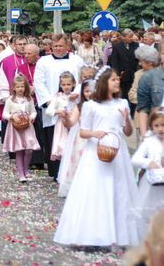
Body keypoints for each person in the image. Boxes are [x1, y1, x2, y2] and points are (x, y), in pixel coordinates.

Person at [53, 67, 139, 247]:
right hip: (96, 152)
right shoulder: (91, 105)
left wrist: (127, 120)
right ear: (104, 83)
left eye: (117, 79)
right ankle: (92, 235)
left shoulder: (122, 103)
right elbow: (82, 131)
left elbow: (128, 132)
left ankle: (120, 234)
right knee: (96, 190)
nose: (117, 82)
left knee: (119, 190)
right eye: (113, 79)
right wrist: (94, 133)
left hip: (118, 151)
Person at [34, 34, 84, 179]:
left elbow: (83, 79)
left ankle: (73, 169)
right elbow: (39, 82)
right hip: (53, 105)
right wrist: (49, 101)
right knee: (53, 139)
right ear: (51, 47)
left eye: (61, 46)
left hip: (73, 105)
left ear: (67, 46)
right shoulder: (44, 61)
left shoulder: (77, 60)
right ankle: (55, 171)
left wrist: (75, 94)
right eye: (55, 46)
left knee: (73, 137)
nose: (58, 48)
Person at [131, 108, 164, 241]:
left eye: (163, 125)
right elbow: (135, 159)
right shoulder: (149, 142)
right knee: (148, 212)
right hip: (151, 184)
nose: (160, 129)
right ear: (151, 126)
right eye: (156, 125)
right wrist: (148, 163)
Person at [56, 78, 93, 197]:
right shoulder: (80, 106)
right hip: (81, 141)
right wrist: (66, 117)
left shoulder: (101, 106)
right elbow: (71, 123)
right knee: (79, 165)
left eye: (92, 91)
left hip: (95, 139)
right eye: (86, 91)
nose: (89, 94)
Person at [2, 74, 39, 183]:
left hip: (27, 126)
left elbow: (33, 111)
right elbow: (5, 113)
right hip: (15, 128)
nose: (20, 89)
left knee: (29, 150)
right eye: (18, 87)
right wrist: (11, 116)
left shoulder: (28, 99)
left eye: (22, 86)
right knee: (19, 150)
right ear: (13, 88)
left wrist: (32, 117)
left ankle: (26, 168)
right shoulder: (10, 100)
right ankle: (21, 173)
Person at [45, 72, 77, 161]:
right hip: (62, 125)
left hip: (74, 123)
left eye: (68, 84)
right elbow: (48, 111)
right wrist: (58, 111)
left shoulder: (76, 96)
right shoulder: (58, 97)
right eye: (63, 84)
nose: (66, 87)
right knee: (64, 146)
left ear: (73, 84)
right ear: (60, 85)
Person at [137, 44, 164, 140]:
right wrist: (144, 136)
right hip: (157, 133)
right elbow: (143, 108)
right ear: (160, 55)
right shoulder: (148, 77)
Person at [109, 29, 139, 105]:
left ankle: (133, 112)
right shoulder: (117, 46)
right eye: (129, 37)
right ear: (123, 37)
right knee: (124, 95)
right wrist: (117, 74)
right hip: (123, 76)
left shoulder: (136, 45)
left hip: (134, 74)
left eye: (132, 36)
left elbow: (139, 60)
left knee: (133, 95)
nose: (131, 38)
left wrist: (138, 71)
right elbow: (114, 62)